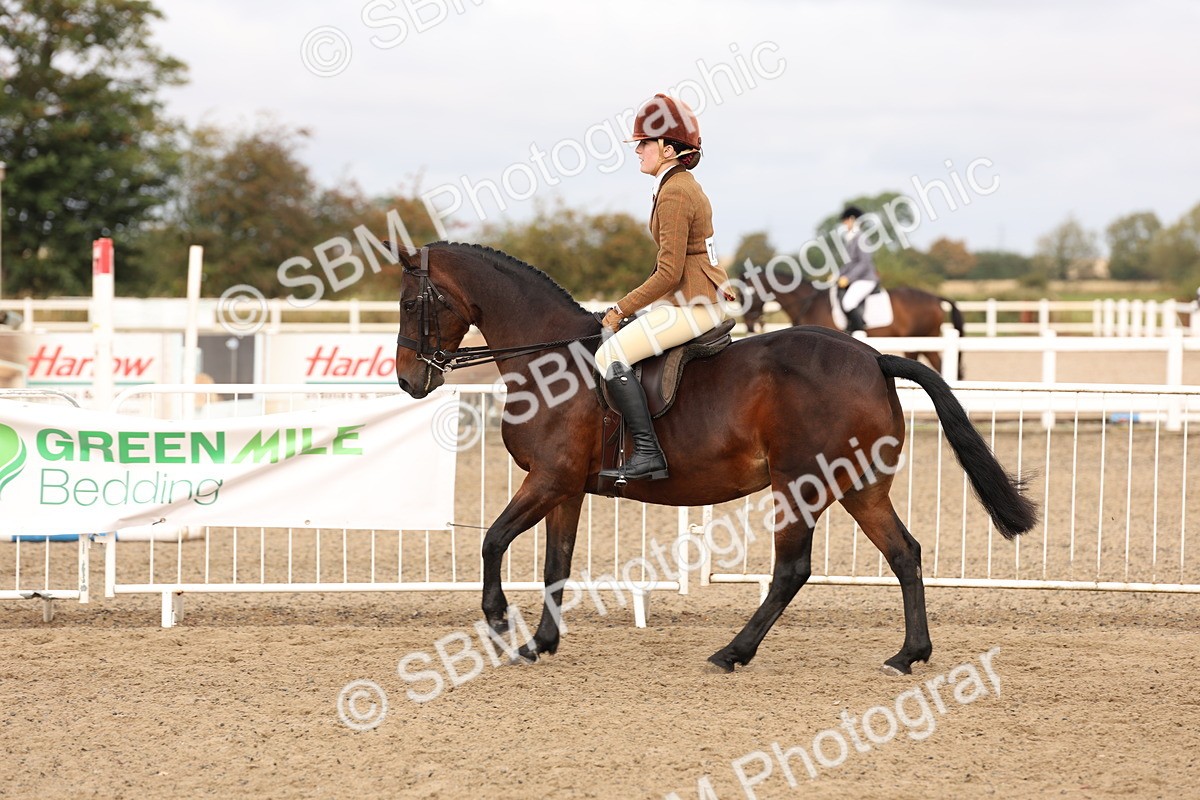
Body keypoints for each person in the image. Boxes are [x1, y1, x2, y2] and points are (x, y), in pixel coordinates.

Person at [594, 93, 732, 482]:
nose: (637, 150)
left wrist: (620, 309)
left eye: (644, 143)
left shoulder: (675, 191)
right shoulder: (676, 184)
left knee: (609, 355)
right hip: (690, 298)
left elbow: (669, 272)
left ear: (668, 149)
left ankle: (648, 453)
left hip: (693, 305)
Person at [835, 205, 881, 334]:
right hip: (857, 279)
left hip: (866, 279)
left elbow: (864, 263)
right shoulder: (851, 239)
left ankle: (859, 330)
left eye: (845, 221)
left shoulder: (861, 238)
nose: (844, 224)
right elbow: (849, 264)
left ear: (852, 219)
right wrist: (837, 275)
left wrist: (848, 278)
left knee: (848, 302)